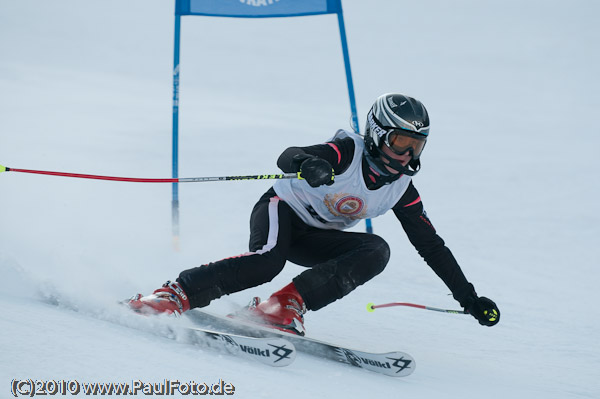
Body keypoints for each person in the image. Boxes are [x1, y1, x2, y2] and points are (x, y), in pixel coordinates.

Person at [128, 93, 500, 335]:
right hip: (283, 211)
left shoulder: (402, 188)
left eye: (416, 145)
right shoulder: (347, 151)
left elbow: (431, 246)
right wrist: (310, 163)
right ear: (377, 134)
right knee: (267, 263)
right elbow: (288, 155)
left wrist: (468, 298)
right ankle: (176, 293)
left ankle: (282, 306)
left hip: (316, 238)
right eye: (400, 142)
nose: (407, 155)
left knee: (377, 250)